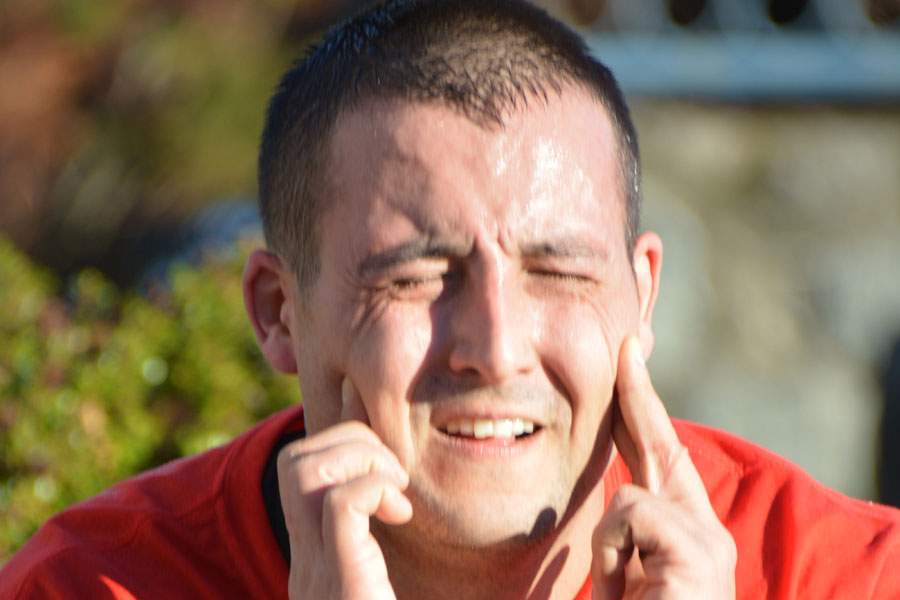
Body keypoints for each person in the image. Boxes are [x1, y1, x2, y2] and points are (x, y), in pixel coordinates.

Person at [1, 1, 898, 598]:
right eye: (417, 276)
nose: (495, 347)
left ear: (643, 293)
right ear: (277, 309)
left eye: (560, 271)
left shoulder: (846, 573)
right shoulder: (98, 584)